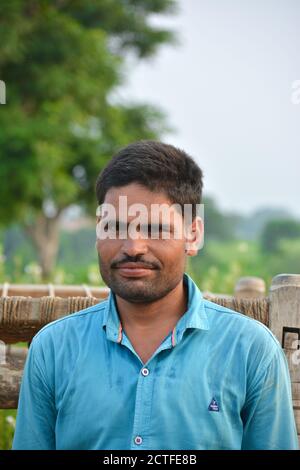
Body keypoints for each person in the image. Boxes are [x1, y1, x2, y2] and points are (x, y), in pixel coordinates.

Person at [13, 141, 298, 450]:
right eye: (115, 227)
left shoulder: (251, 351)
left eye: (154, 228)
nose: (133, 247)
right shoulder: (53, 349)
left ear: (193, 234)